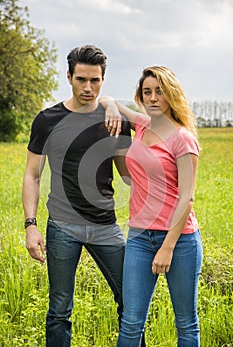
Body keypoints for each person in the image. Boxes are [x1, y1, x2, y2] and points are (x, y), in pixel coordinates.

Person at [22, 44, 132, 347]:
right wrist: (31, 225)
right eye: (81, 79)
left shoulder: (114, 120)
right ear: (69, 76)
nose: (88, 87)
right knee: (59, 310)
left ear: (103, 80)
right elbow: (32, 175)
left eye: (95, 81)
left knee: (131, 303)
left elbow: (127, 175)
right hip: (61, 227)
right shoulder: (47, 120)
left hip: (106, 227)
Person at [101, 65, 203, 346]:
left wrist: (167, 248)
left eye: (160, 91)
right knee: (131, 321)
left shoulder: (183, 139)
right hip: (139, 237)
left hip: (179, 241)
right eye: (147, 92)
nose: (153, 98)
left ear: (171, 94)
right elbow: (110, 101)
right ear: (141, 96)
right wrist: (110, 105)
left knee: (186, 323)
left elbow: (187, 197)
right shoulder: (143, 125)